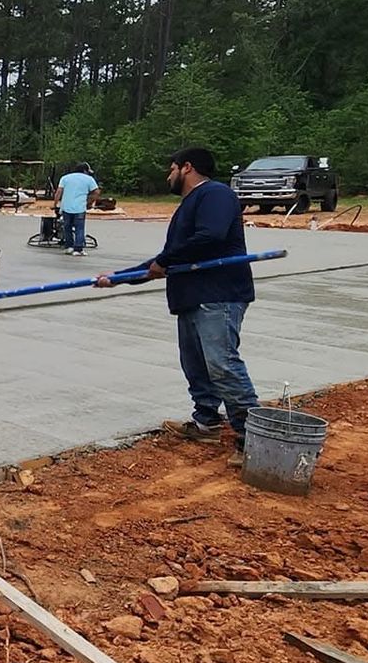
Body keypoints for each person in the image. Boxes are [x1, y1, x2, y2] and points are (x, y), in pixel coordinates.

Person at [95, 147, 258, 449]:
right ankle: (206, 422)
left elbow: (209, 237)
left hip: (218, 294)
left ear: (187, 168)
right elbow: (164, 261)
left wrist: (165, 262)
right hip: (191, 296)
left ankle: (252, 438)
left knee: (222, 364)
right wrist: (117, 278)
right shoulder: (190, 204)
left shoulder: (216, 194)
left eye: (171, 169)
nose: (168, 175)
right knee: (196, 365)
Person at [56, 163, 99, 254]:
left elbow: (59, 191)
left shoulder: (65, 178)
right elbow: (96, 192)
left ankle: (69, 246)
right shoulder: (89, 179)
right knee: (79, 228)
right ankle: (78, 249)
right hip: (80, 207)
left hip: (66, 207)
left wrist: (55, 203)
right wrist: (89, 202)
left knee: (67, 227)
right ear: (84, 171)